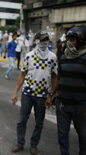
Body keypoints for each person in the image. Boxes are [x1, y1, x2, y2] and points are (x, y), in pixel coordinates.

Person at [11, 31, 57, 155]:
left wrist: (51, 95)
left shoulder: (52, 57)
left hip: (42, 96)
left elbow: (54, 77)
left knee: (39, 122)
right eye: (42, 40)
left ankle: (34, 144)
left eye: (46, 40)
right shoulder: (29, 56)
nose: (44, 42)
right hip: (27, 94)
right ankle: (20, 143)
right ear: (36, 41)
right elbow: (22, 75)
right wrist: (15, 92)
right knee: (21, 120)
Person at [51, 27, 86, 155]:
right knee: (62, 135)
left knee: (83, 136)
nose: (70, 42)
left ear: (81, 41)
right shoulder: (64, 57)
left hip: (80, 106)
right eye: (69, 39)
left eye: (73, 39)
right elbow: (58, 78)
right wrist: (51, 94)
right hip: (63, 104)